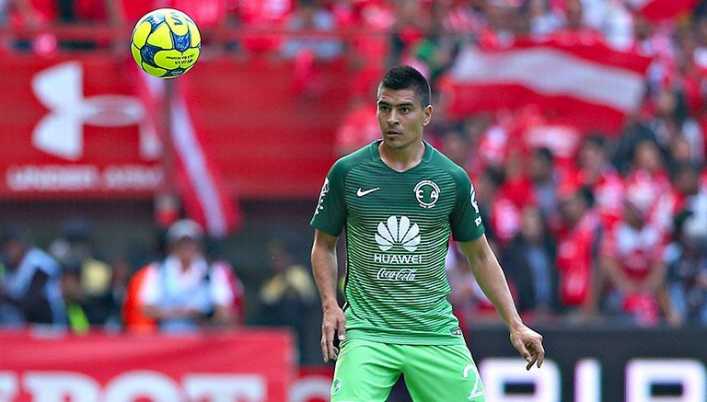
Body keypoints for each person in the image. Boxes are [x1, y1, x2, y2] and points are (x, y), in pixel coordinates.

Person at [310, 66, 545, 402]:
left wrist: (515, 323)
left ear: (426, 115)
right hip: (367, 333)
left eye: (404, 109)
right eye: (384, 107)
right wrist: (330, 304)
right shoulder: (347, 172)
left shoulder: (451, 179)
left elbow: (479, 255)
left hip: (434, 332)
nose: (392, 119)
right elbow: (323, 246)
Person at [138, 219, 237, 332]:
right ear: (172, 245)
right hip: (165, 340)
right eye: (181, 243)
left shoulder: (213, 271)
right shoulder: (157, 271)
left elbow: (224, 310)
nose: (186, 248)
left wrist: (207, 317)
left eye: (190, 243)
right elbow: (146, 309)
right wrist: (181, 313)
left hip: (203, 341)